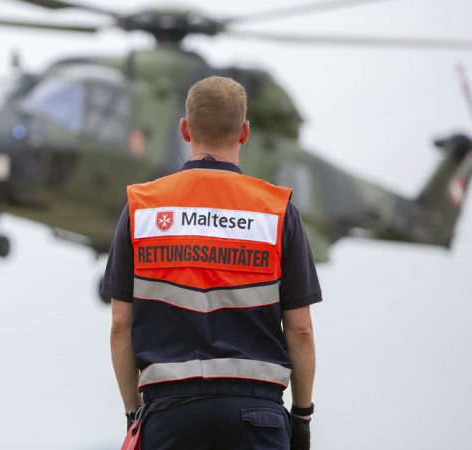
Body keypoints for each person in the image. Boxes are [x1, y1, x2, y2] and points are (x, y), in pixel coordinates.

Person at [103, 76, 321, 450]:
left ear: (185, 130)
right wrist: (301, 418)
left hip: (170, 415)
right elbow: (300, 331)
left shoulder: (142, 208)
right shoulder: (278, 212)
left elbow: (121, 327)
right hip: (258, 416)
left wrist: (133, 414)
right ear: (244, 132)